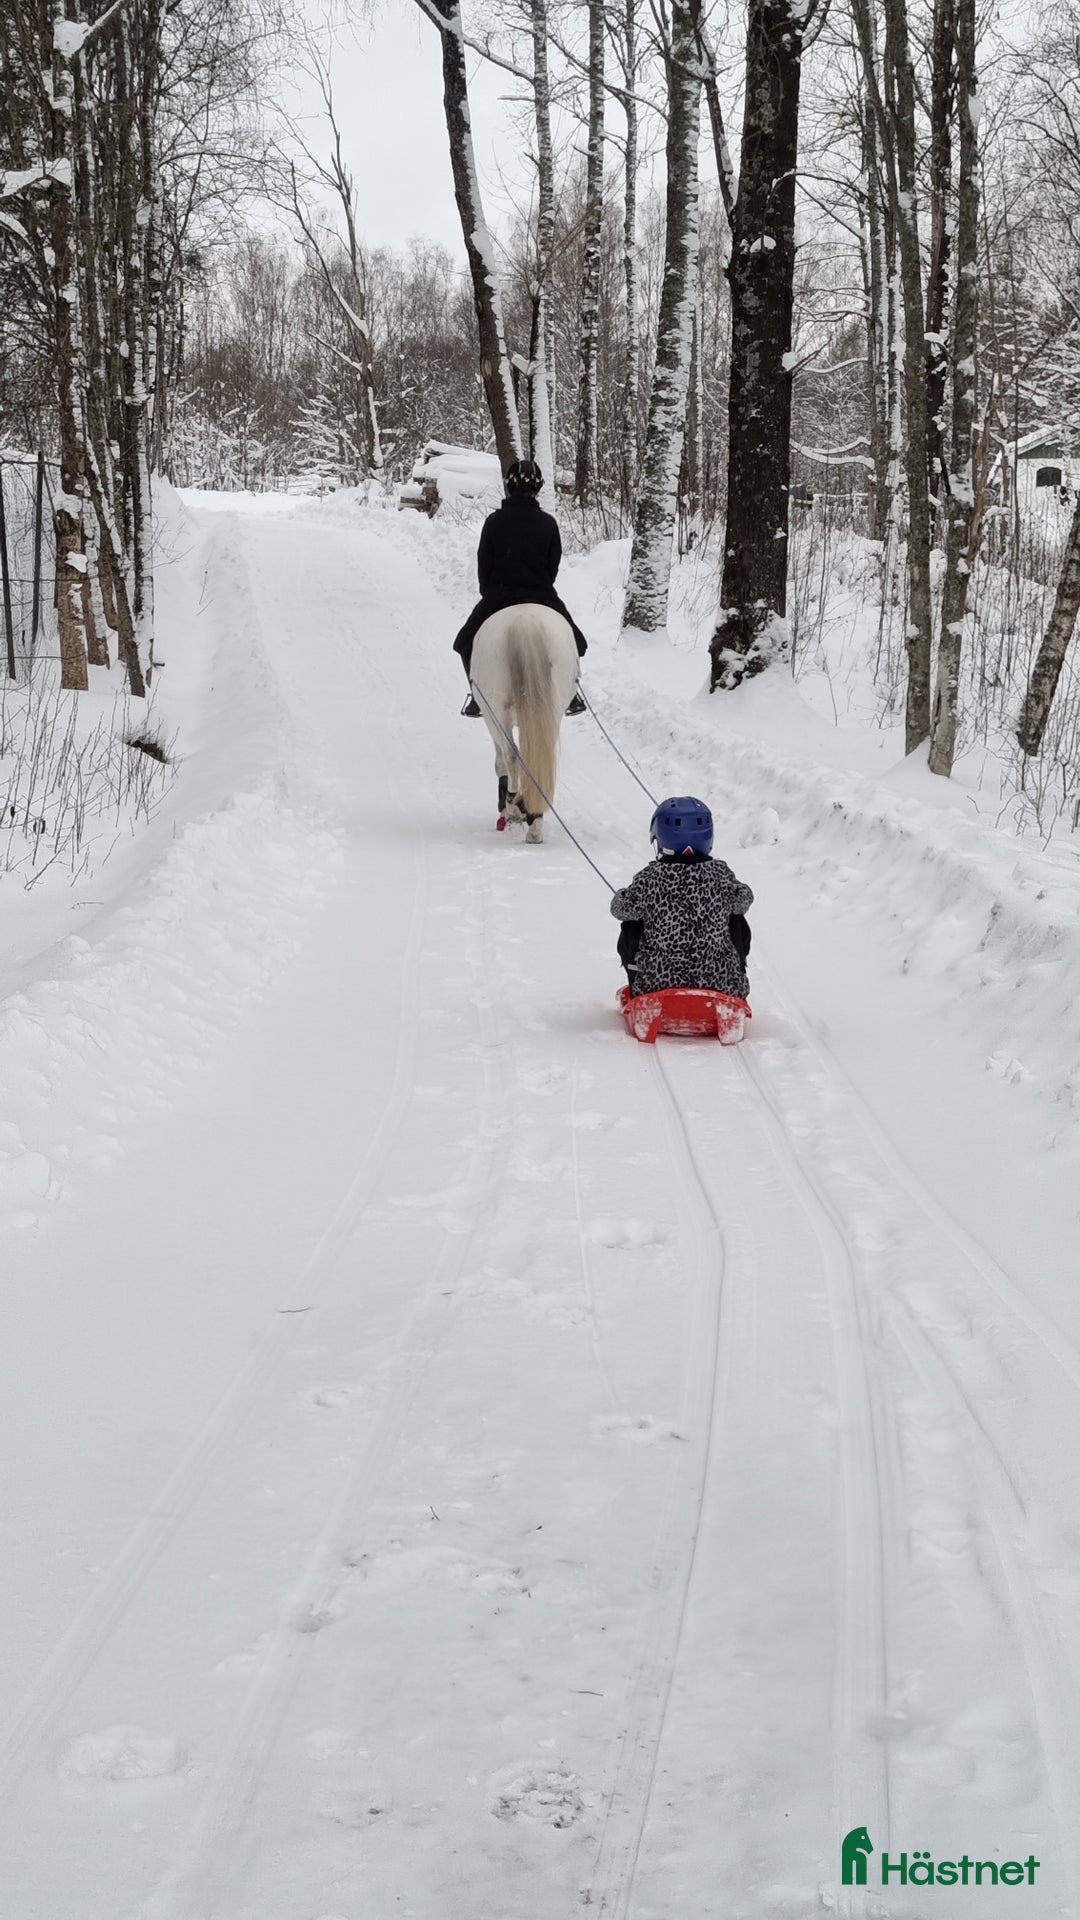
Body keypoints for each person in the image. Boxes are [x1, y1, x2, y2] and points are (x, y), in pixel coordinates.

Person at [454, 458, 588, 716]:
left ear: (508, 487)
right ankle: (571, 695)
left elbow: (484, 567)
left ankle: (476, 696)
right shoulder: (548, 523)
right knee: (578, 643)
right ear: (538, 488)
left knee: (464, 643)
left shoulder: (494, 522)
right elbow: (552, 568)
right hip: (542, 597)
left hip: (499, 596)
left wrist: (491, 592)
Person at [611, 796, 753, 1000]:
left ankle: (640, 983)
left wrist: (623, 895)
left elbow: (619, 909)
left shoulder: (649, 878)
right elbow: (744, 899)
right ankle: (732, 981)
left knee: (631, 924)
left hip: (656, 985)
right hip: (722, 986)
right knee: (736, 917)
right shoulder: (721, 875)